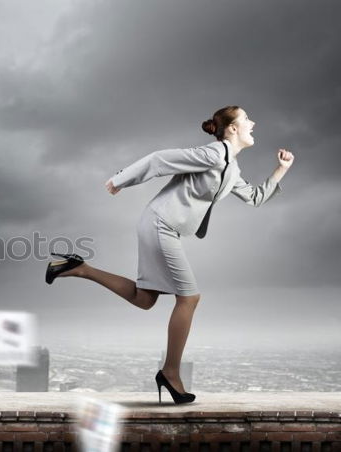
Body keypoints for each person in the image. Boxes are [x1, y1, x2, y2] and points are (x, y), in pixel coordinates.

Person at [45, 106, 294, 404]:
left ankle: (78, 268)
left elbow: (254, 198)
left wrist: (282, 169)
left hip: (167, 228)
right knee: (189, 297)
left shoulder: (232, 168)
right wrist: (122, 179)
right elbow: (160, 159)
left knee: (145, 299)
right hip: (159, 223)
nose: (253, 123)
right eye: (246, 119)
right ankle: (170, 373)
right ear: (231, 129)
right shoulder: (214, 154)